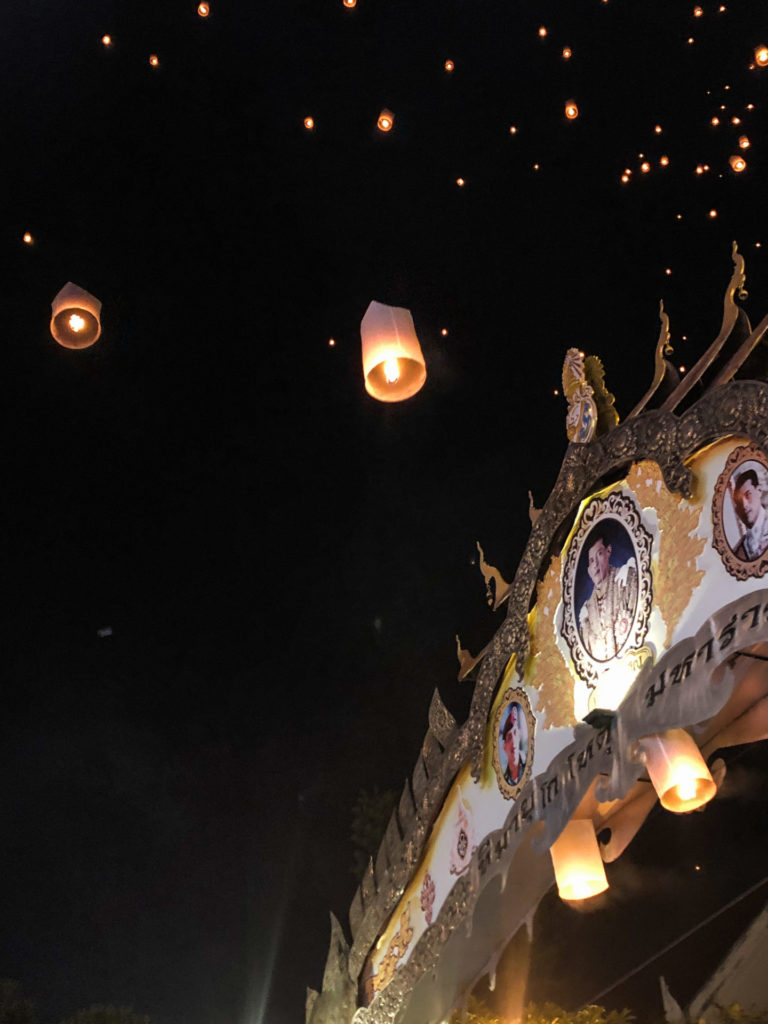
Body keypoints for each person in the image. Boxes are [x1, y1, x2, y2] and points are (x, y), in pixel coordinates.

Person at [578, 529, 638, 661]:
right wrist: (585, 624)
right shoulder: (588, 610)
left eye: (599, 554)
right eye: (591, 561)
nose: (595, 565)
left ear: (608, 551)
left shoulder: (625, 578)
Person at [732, 468, 768, 561]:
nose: (744, 505)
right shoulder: (739, 551)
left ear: (759, 491)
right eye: (739, 502)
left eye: (748, 495)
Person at [501, 704, 525, 785]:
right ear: (504, 746)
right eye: (509, 737)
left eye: (515, 733)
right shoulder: (505, 781)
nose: (514, 741)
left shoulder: (527, 767)